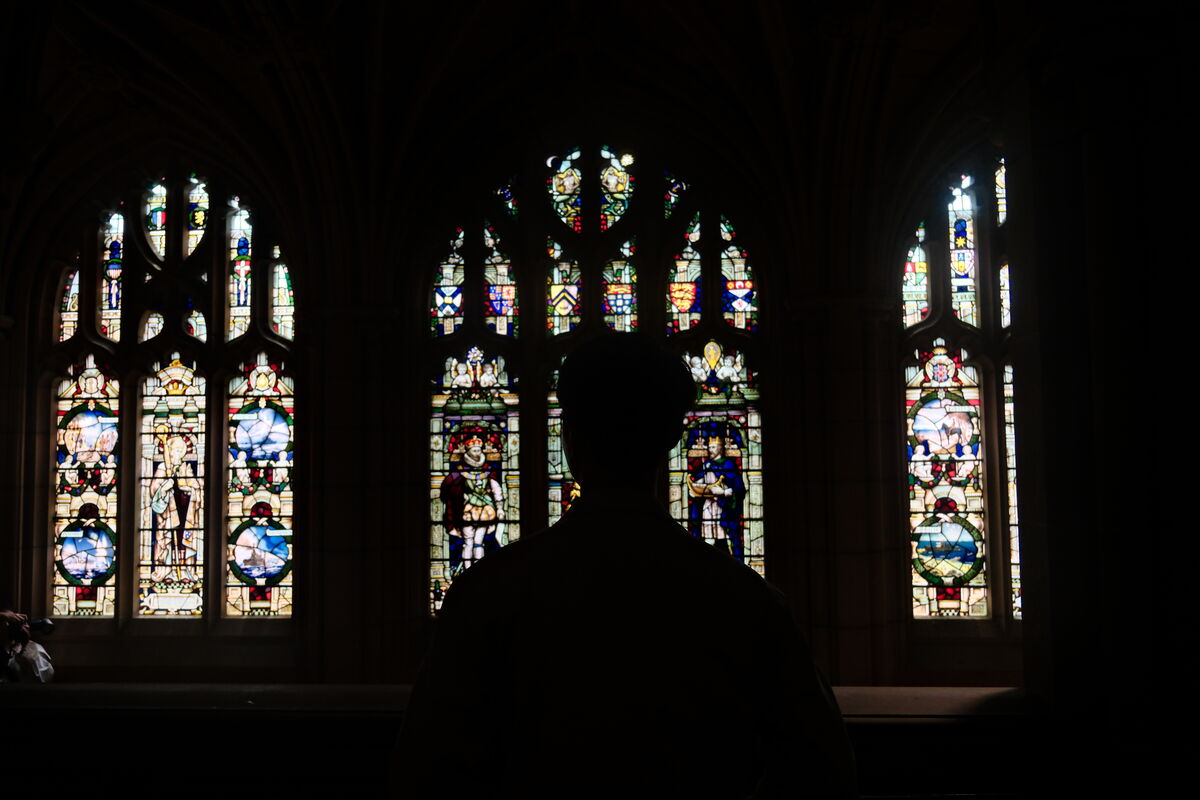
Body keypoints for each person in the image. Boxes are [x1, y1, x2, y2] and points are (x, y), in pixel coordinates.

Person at [395, 334, 856, 798]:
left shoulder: (487, 594)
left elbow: (426, 773)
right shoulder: (746, 600)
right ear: (673, 437)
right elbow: (821, 770)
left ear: (568, 437)